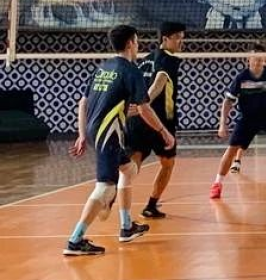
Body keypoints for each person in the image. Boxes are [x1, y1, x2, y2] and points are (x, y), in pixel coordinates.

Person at [64, 25, 175, 256]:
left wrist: (82, 134)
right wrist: (164, 132)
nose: (138, 45)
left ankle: (126, 226)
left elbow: (83, 102)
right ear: (130, 44)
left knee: (128, 170)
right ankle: (75, 240)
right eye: (136, 41)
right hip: (109, 132)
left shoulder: (103, 67)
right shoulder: (130, 70)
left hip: (97, 129)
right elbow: (144, 109)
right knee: (104, 187)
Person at [210, 43, 266, 200]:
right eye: (255, 59)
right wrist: (222, 123)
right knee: (232, 149)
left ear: (264, 60)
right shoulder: (241, 78)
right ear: (248, 60)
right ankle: (217, 184)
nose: (258, 62)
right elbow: (228, 102)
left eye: (261, 59)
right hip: (248, 118)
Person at [126, 21, 185, 219]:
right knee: (168, 163)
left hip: (136, 121)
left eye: (182, 37)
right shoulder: (169, 59)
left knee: (133, 164)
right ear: (165, 39)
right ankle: (151, 205)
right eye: (177, 38)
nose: (180, 42)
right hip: (158, 120)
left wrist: (136, 106)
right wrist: (145, 103)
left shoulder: (145, 60)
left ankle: (109, 197)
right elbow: (159, 82)